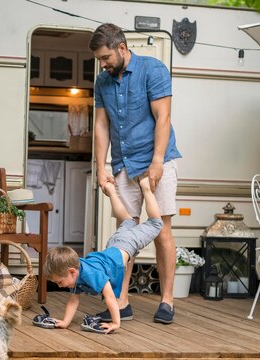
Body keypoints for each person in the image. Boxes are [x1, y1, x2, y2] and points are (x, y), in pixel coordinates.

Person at [89, 23, 182, 324]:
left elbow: (163, 117)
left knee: (161, 230)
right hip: (124, 164)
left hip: (158, 161)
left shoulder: (152, 70)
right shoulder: (103, 82)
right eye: (99, 59)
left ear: (122, 48)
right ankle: (122, 301)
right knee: (124, 234)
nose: (102, 64)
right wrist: (101, 166)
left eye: (105, 57)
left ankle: (166, 301)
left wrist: (156, 162)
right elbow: (102, 125)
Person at [43, 176, 163, 334]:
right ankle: (112, 192)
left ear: (72, 271)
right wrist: (65, 322)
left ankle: (146, 187)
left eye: (59, 282)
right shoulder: (75, 273)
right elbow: (73, 301)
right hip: (113, 245)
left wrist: (115, 323)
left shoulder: (91, 273)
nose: (60, 286)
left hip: (125, 244)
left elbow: (110, 296)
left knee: (156, 223)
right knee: (127, 220)